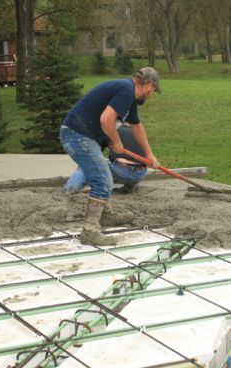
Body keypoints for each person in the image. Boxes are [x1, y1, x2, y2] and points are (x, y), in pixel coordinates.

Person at [60, 67, 161, 246]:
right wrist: (116, 141)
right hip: (77, 135)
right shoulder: (125, 91)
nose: (151, 94)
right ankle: (90, 232)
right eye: (153, 91)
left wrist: (149, 155)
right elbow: (107, 119)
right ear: (149, 86)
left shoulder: (128, 96)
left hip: (81, 135)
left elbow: (137, 127)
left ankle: (105, 216)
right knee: (102, 179)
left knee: (100, 176)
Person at [62, 124, 149, 195]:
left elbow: (93, 154)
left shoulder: (110, 130)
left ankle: (67, 191)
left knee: (84, 168)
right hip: (141, 173)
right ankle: (128, 189)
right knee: (127, 162)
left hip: (122, 171)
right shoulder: (138, 130)